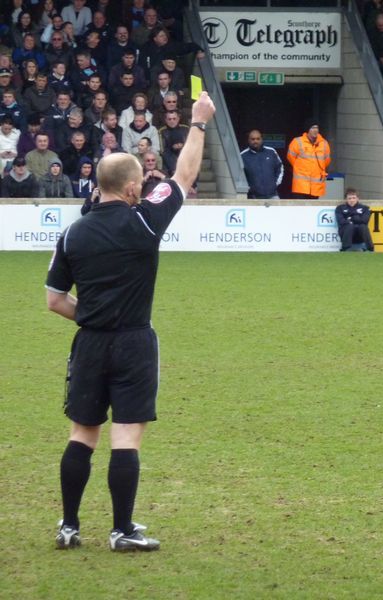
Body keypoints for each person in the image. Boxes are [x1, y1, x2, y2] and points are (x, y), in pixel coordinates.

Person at [45, 92, 216, 552]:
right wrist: (198, 123)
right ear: (133, 188)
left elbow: (55, 300)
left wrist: (93, 315)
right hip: (134, 342)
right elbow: (184, 175)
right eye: (141, 180)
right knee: (126, 437)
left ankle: (68, 525)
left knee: (82, 433)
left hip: (90, 344)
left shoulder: (72, 233)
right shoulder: (144, 222)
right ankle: (121, 530)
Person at [287, 119, 331, 199]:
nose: (315, 130)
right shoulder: (297, 141)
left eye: (317, 128)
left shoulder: (324, 143)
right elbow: (290, 157)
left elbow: (327, 161)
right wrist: (299, 167)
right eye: (312, 128)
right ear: (308, 130)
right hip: (301, 186)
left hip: (315, 186)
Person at [240, 129, 284, 200]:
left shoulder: (271, 152)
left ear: (262, 139)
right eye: (253, 139)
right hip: (254, 197)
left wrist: (275, 184)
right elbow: (240, 175)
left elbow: (280, 167)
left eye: (258, 139)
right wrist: (250, 188)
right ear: (248, 140)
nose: (255, 141)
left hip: (273, 195)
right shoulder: (243, 156)